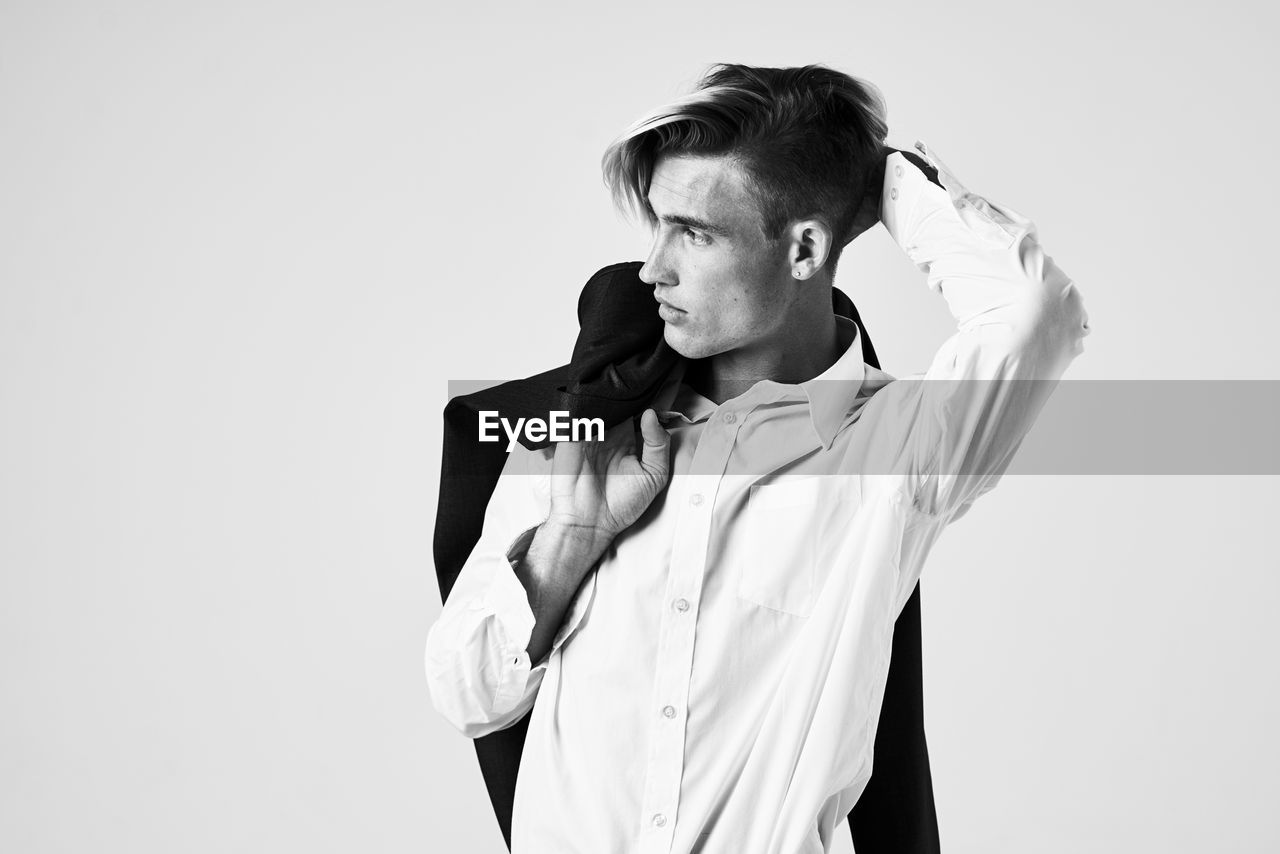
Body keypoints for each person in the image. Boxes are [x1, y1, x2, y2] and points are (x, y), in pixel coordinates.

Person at [425, 63, 1090, 853]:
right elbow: (467, 693)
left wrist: (879, 179)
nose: (652, 270)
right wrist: (571, 539)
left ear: (805, 247)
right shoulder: (592, 419)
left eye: (695, 234)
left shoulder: (903, 450)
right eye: (657, 226)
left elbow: (1033, 313)